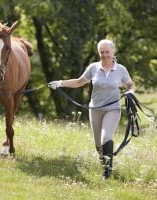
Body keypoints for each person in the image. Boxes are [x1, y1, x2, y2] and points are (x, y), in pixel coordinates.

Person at [48, 39, 135, 180]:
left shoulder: (121, 69)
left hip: (113, 109)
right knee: (98, 144)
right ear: (98, 53)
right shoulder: (93, 68)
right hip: (95, 109)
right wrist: (60, 83)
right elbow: (79, 82)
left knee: (106, 137)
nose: (105, 55)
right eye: (102, 52)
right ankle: (104, 162)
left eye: (107, 52)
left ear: (113, 52)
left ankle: (107, 173)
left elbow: (131, 85)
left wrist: (131, 92)